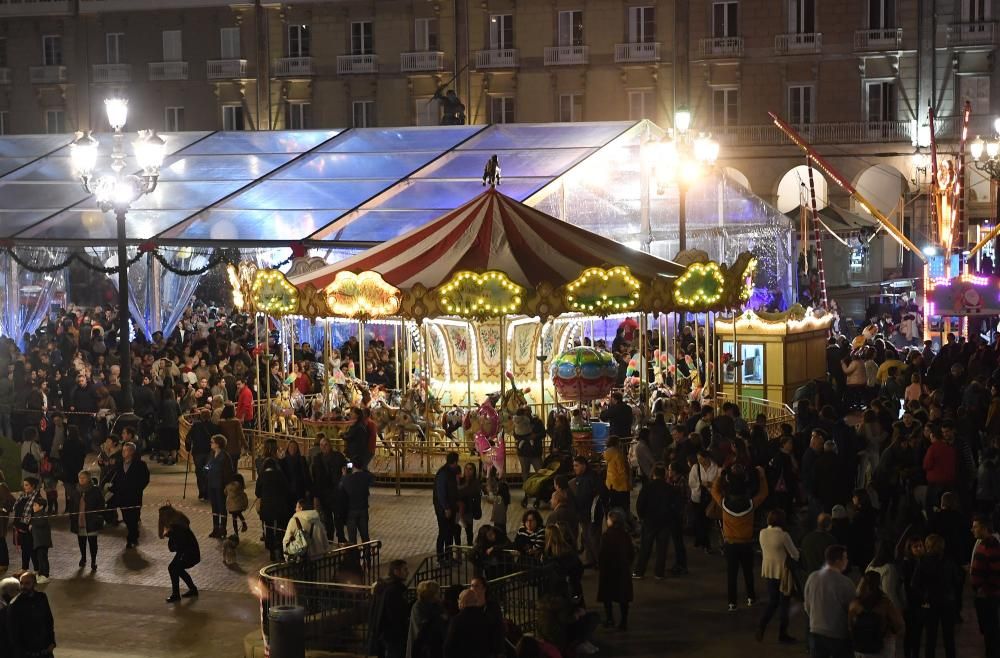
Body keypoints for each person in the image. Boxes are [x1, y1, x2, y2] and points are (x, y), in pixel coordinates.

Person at [712, 464, 769, 611]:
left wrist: (719, 476)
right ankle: (751, 598)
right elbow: (764, 493)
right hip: (746, 543)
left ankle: (732, 603)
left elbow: (714, 490)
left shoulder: (724, 503)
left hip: (730, 543)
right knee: (748, 572)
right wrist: (762, 476)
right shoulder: (750, 503)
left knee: (731, 574)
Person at [912, 534, 963, 658]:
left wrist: (923, 598)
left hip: (930, 602)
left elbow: (914, 584)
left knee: (931, 638)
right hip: (948, 601)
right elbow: (958, 581)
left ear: (928, 545)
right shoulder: (949, 561)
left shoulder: (923, 562)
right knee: (949, 637)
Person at [803, 545, 856, 658]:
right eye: (845, 558)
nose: (847, 561)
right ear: (838, 561)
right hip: (837, 634)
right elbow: (852, 610)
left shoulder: (812, 577)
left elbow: (807, 605)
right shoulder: (846, 583)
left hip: (816, 631)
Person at [756, 509, 799, 644]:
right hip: (783, 572)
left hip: (768, 571)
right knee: (784, 604)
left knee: (773, 602)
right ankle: (782, 634)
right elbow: (795, 555)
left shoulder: (762, 533)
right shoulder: (783, 535)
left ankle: (761, 626)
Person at [634, 463, 682, 579]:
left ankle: (639, 572)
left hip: (649, 521)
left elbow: (639, 504)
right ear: (664, 475)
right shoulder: (669, 488)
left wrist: (642, 517)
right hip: (665, 521)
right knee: (662, 549)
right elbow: (676, 505)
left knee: (646, 547)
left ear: (653, 474)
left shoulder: (647, 487)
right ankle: (659, 573)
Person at [849, 571, 905, 658]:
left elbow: (850, 626)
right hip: (881, 648)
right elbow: (899, 625)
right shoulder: (885, 603)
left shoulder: (854, 604)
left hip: (860, 649)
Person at [598, 508, 634, 630]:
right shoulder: (625, 535)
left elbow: (602, 554)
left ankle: (610, 619)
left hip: (609, 571)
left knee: (607, 596)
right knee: (623, 597)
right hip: (622, 570)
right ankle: (623, 622)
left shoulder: (606, 536)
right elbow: (631, 553)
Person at [257, 439, 292, 562]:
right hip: (280, 505)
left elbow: (257, 491)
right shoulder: (280, 472)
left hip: (267, 505)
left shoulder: (262, 472)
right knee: (281, 528)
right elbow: (287, 488)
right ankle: (281, 551)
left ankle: (272, 552)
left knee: (270, 528)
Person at [111, 441, 150, 549]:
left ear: (132, 451)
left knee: (134, 517)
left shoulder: (140, 465)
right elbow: (115, 478)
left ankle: (132, 538)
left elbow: (145, 479)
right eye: (123, 450)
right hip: (122, 497)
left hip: (134, 497)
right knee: (126, 518)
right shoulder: (119, 464)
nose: (123, 452)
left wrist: (137, 489)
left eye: (126, 450)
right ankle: (132, 534)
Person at [971, 515, 1000, 658]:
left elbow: (996, 571)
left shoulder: (991, 545)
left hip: (988, 596)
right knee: (988, 631)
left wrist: (985, 589)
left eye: (975, 526)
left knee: (991, 632)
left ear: (985, 528)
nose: (972, 530)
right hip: (982, 595)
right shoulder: (982, 543)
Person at [311, 437, 349, 544]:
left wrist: (346, 473)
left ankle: (340, 536)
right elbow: (315, 477)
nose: (323, 447)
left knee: (338, 516)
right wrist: (316, 495)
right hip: (324, 493)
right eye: (321, 445)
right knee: (327, 518)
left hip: (336, 492)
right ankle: (329, 537)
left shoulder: (338, 456)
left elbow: (347, 465)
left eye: (325, 445)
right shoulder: (317, 459)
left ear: (330, 445)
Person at [9, 571, 55, 657]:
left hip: (44, 647)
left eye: (27, 583)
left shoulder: (42, 597)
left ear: (34, 584)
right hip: (27, 651)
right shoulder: (16, 604)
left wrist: (52, 642)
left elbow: (49, 620)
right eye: (21, 583)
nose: (23, 586)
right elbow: (13, 630)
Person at [372, 559, 411, 658]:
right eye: (405, 569)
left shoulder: (386, 587)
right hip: (393, 635)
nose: (408, 572)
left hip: (385, 633)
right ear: (396, 572)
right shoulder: (393, 591)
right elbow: (396, 614)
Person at [161, 506, 200, 603]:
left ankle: (176, 594)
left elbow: (177, 546)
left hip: (188, 553)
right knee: (175, 569)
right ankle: (192, 589)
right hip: (187, 552)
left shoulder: (177, 528)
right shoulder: (177, 525)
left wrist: (170, 536)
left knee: (174, 569)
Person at [69, 470, 103, 570]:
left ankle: (93, 560)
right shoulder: (75, 490)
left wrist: (98, 515)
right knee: (81, 541)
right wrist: (72, 517)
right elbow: (71, 505)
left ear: (88, 479)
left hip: (92, 520)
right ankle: (83, 558)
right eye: (80, 478)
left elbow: (101, 503)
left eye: (83, 478)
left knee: (93, 542)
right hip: (79, 520)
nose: (81, 480)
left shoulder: (95, 490)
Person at [443, 589, 492, 658]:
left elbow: (449, 645)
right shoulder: (486, 617)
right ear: (475, 601)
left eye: (459, 599)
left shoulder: (457, 620)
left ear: (463, 602)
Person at [570, 456, 600, 567]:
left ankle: (598, 561)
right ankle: (591, 559)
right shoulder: (581, 477)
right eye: (574, 465)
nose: (574, 468)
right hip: (583, 514)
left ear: (584, 465)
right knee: (587, 537)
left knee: (593, 538)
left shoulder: (590, 478)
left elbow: (586, 497)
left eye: (576, 465)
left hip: (590, 514)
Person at [689, 450, 721, 553]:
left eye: (701, 458)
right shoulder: (696, 467)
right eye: (698, 459)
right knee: (699, 520)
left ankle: (703, 542)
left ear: (707, 458)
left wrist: (711, 485)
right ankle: (704, 543)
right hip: (697, 498)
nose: (699, 461)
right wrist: (701, 484)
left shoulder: (715, 467)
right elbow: (691, 482)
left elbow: (718, 481)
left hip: (710, 498)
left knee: (706, 521)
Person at [407, 580, 448, 658]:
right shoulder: (418, 606)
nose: (439, 594)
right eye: (437, 591)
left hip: (436, 645)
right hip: (422, 646)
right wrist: (439, 619)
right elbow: (422, 625)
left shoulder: (438, 605)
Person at [205, 434, 235, 538]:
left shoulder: (225, 456)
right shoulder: (211, 454)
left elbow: (229, 472)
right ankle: (215, 528)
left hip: (220, 485)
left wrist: (227, 484)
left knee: (221, 507)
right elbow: (207, 465)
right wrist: (206, 470)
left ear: (218, 444)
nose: (210, 444)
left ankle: (223, 528)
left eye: (212, 442)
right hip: (211, 483)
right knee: (214, 507)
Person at [185, 408, 218, 500]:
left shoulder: (196, 426)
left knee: (199, 472)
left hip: (198, 452)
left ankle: (201, 492)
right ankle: (208, 492)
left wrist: (188, 448)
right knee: (208, 471)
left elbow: (188, 438)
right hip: (209, 453)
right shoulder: (214, 426)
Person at [433, 452, 460, 561]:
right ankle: (440, 557)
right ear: (454, 461)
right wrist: (446, 508)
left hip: (450, 506)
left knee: (449, 532)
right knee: (444, 532)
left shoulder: (451, 472)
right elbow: (441, 493)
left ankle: (448, 556)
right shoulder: (444, 473)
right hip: (443, 508)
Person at [341, 461, 374, 545]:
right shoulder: (366, 476)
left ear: (353, 466)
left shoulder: (347, 478)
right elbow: (372, 477)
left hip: (351, 510)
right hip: (363, 509)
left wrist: (344, 475)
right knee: (365, 536)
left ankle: (354, 556)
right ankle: (368, 556)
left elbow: (340, 488)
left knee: (352, 538)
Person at [12, 477, 41, 572]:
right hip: (21, 527)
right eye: (24, 485)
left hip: (30, 527)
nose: (25, 487)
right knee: (24, 548)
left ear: (33, 486)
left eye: (27, 485)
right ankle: (24, 568)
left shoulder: (37, 498)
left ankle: (37, 570)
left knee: (32, 549)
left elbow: (38, 513)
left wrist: (32, 523)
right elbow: (16, 508)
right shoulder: (23, 496)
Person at [604, 435, 631, 512]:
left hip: (611, 483)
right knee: (623, 505)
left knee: (614, 505)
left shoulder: (608, 453)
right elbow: (622, 470)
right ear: (616, 443)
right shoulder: (618, 454)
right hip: (620, 484)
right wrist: (628, 482)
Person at [456, 463, 481, 546]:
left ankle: (470, 549)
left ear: (474, 471)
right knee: (457, 532)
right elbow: (457, 493)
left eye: (470, 469)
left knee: (469, 532)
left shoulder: (475, 482)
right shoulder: (461, 480)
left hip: (469, 510)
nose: (468, 471)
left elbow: (472, 493)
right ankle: (458, 550)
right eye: (466, 468)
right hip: (458, 511)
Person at [281, 439, 312, 505]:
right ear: (288, 448)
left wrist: (308, 489)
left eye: (295, 447)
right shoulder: (283, 461)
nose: (293, 448)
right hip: (288, 491)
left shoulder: (302, 459)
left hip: (300, 490)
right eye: (291, 447)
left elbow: (306, 475)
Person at [29, 498, 51, 583]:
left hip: (43, 541)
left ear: (41, 506)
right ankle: (41, 574)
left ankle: (45, 575)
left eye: (35, 505)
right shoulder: (36, 514)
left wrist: (32, 523)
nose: (33, 507)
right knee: (40, 559)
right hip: (38, 541)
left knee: (43, 558)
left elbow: (40, 523)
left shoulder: (42, 514)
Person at [225, 472, 250, 540]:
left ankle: (236, 533)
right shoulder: (240, 486)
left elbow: (225, 492)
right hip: (239, 505)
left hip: (232, 506)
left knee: (234, 519)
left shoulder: (229, 486)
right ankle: (244, 524)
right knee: (239, 514)